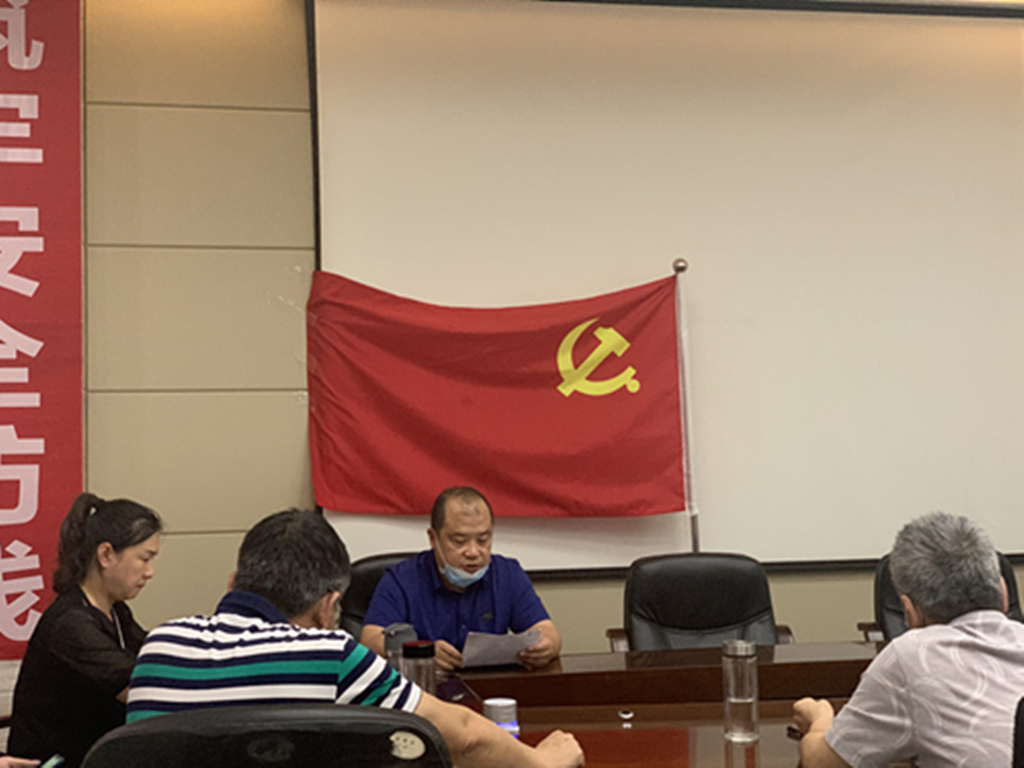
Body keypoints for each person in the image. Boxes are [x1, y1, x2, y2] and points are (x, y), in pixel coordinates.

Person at [126, 509, 582, 768]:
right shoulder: (329, 655)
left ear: (233, 582)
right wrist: (542, 761)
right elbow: (462, 737)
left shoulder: (160, 646)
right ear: (329, 607)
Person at [793, 511, 1024, 767]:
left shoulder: (912, 657)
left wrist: (820, 721)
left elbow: (823, 763)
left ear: (910, 613)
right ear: (1004, 593)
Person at [9, 493, 162, 768]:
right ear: (106, 555)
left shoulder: (116, 611)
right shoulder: (71, 624)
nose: (150, 572)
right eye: (144, 558)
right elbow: (139, 687)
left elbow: (153, 653)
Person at [360, 486, 562, 671]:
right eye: (459, 541)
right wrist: (421, 652)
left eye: (483, 540)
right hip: (424, 688)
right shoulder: (401, 579)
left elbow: (547, 632)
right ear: (433, 538)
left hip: (489, 688)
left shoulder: (508, 574)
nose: (473, 552)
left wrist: (546, 647)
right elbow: (369, 640)